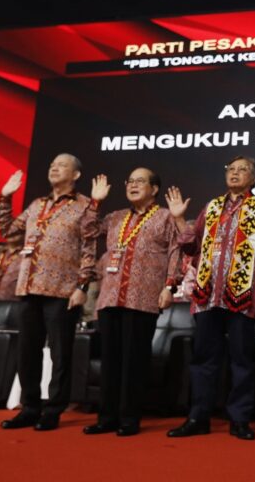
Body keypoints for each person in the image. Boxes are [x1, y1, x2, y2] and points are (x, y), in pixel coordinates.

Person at [166, 156, 255, 441]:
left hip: (242, 294)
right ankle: (198, 417)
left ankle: (239, 419)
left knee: (241, 359)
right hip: (207, 294)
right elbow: (191, 247)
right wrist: (179, 219)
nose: (235, 173)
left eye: (243, 170)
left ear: (254, 179)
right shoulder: (212, 207)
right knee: (203, 358)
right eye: (231, 169)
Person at [0, 154, 96, 431]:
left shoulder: (85, 206)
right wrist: (5, 197)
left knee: (60, 354)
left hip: (62, 290)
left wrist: (82, 286)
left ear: (76, 175)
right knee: (27, 352)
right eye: (52, 164)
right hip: (29, 287)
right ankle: (30, 408)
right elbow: (8, 230)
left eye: (62, 165)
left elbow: (89, 248)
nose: (54, 167)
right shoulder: (37, 204)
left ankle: (53, 409)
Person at [81, 168, 180, 436]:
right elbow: (87, 231)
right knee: (110, 360)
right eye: (130, 181)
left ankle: (129, 418)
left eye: (140, 181)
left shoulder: (166, 217)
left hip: (142, 298)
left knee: (134, 361)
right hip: (110, 296)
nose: (133, 185)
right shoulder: (115, 217)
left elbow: (176, 251)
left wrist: (170, 286)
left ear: (154, 189)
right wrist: (95, 202)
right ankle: (106, 417)